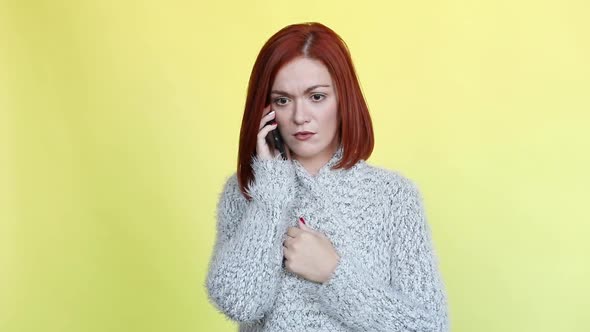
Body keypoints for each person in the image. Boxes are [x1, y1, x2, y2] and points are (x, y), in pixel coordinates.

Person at [205, 22, 449, 332]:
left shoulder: (392, 196)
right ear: (266, 110)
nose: (299, 116)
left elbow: (429, 327)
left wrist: (334, 274)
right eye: (283, 100)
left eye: (316, 97)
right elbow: (239, 302)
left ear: (342, 98)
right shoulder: (247, 191)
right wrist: (272, 193)